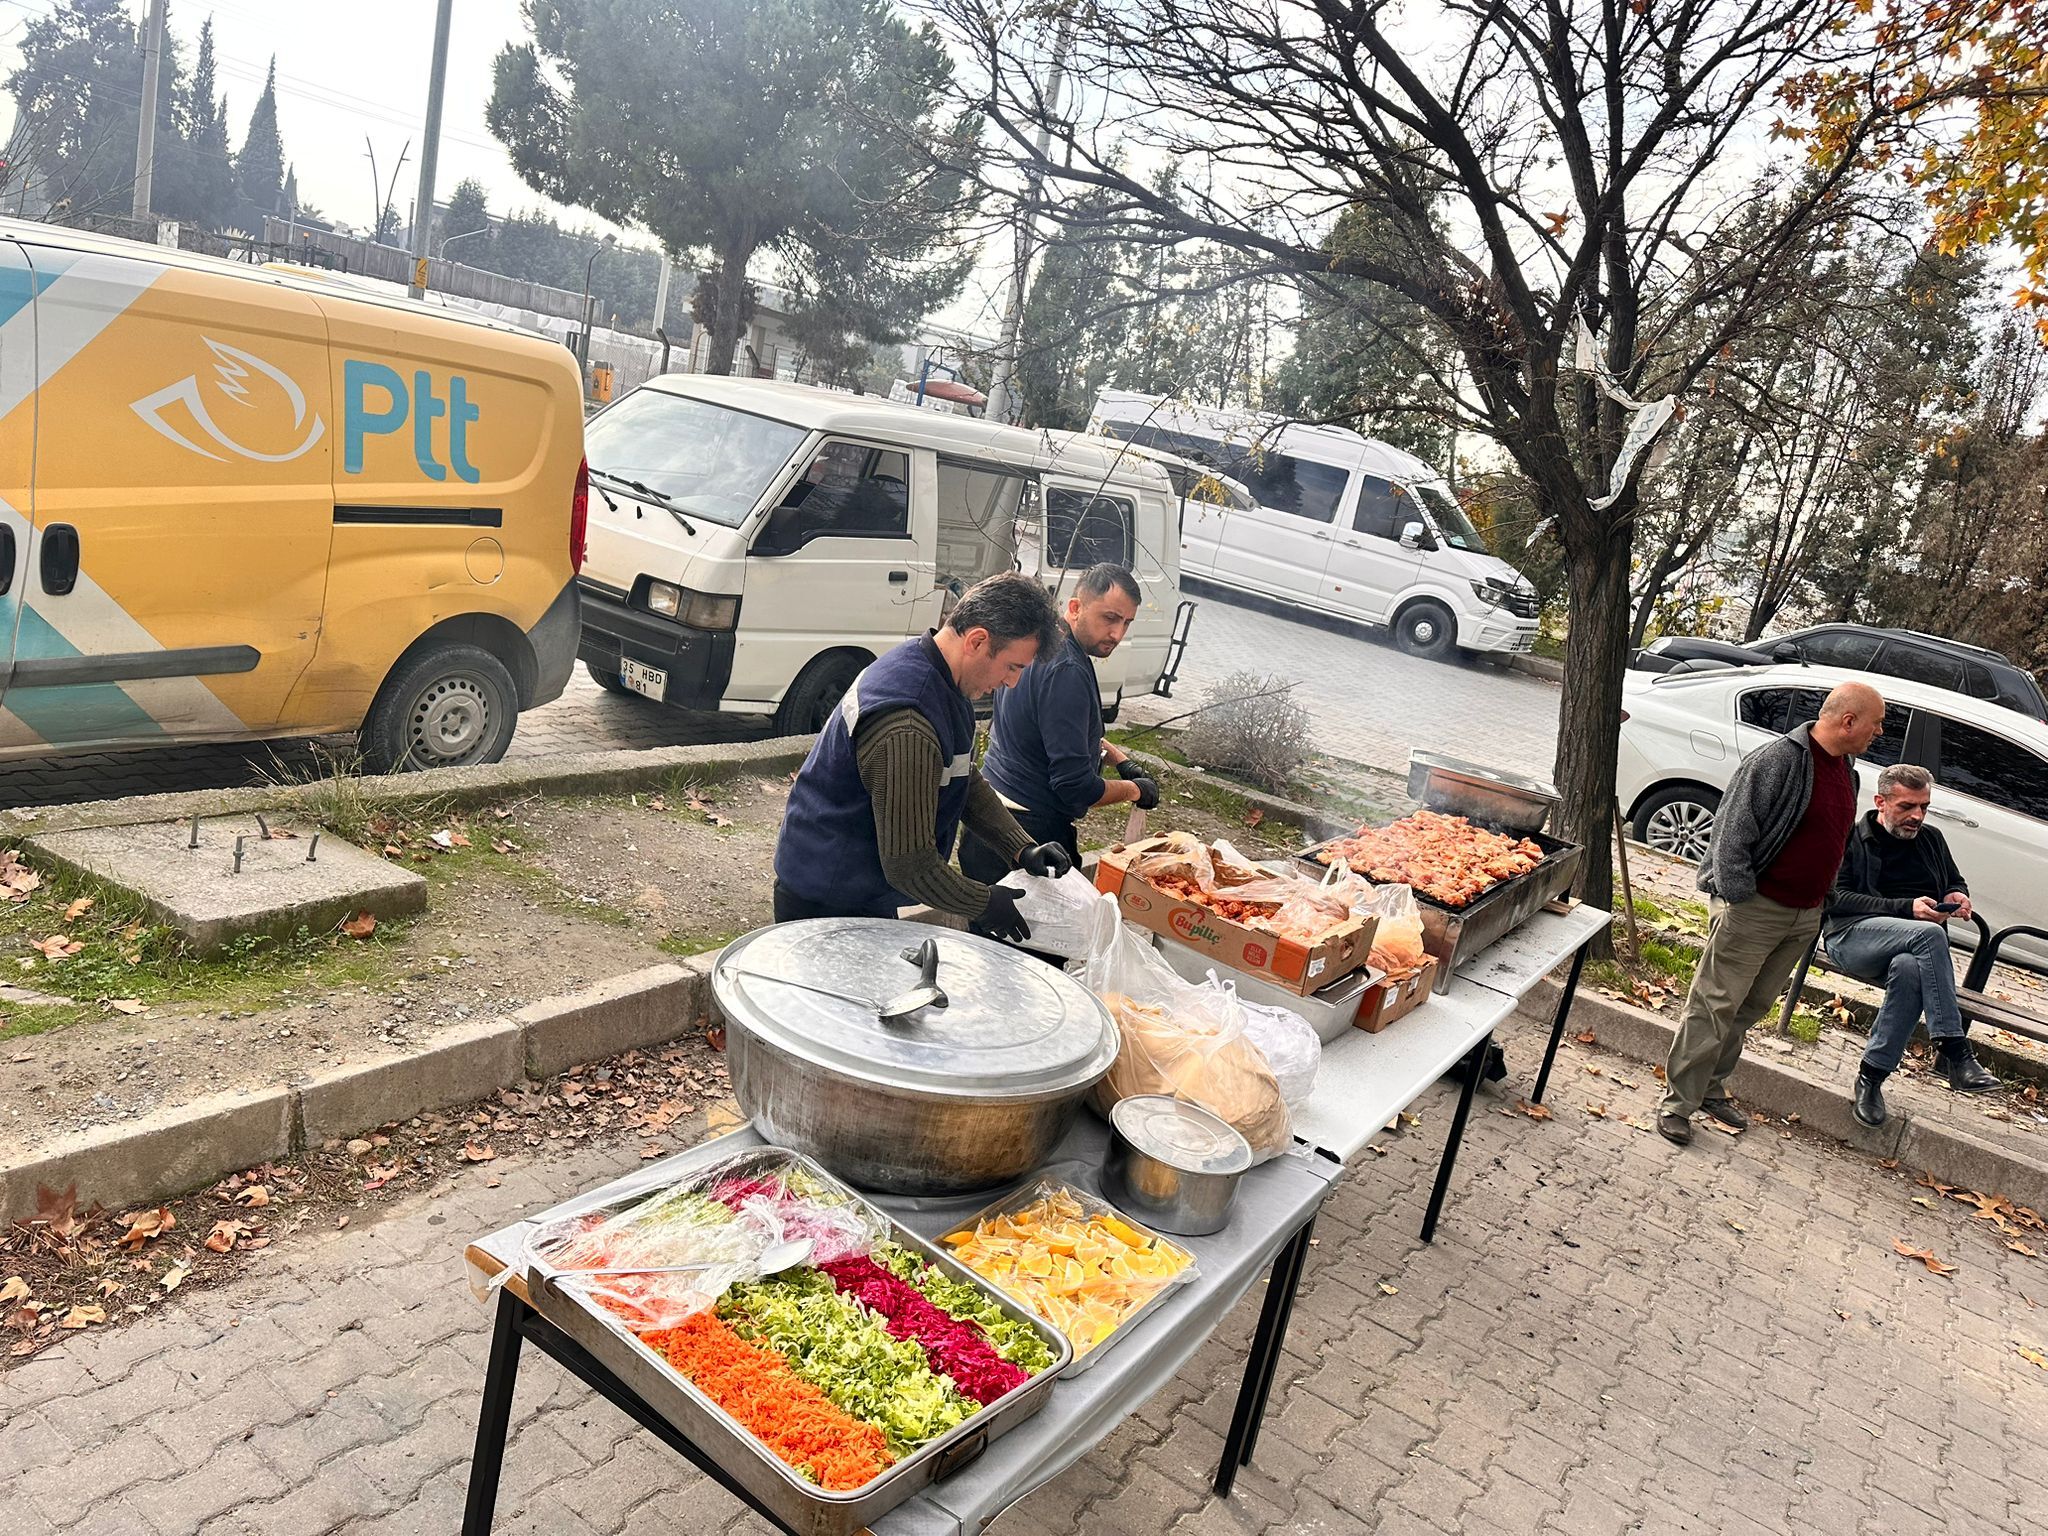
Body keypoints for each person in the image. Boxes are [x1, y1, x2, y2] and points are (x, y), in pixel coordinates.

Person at [771, 573, 1075, 938]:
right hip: (827, 899)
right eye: (1013, 667)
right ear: (978, 641)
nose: (1011, 683)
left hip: (864, 887)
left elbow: (963, 777)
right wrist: (985, 902)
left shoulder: (941, 677)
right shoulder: (908, 724)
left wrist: (1021, 847)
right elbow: (910, 866)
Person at [1657, 681, 1886, 1146]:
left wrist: (1824, 900)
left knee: (1750, 1007)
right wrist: (1739, 898)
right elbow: (1730, 835)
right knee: (1715, 1005)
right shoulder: (1777, 760)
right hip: (1754, 909)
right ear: (1848, 721)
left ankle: (1712, 1089)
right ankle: (1678, 1104)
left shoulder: (1848, 769)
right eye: (1876, 722)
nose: (1879, 731)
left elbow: (1835, 840)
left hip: (1804, 914)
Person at [958, 563, 1158, 885]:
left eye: (1126, 623)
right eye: (1109, 618)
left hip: (989, 819)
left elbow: (1052, 732)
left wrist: (1121, 761)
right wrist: (1135, 790)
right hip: (1029, 837)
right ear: (1076, 607)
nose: (1117, 634)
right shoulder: (1067, 671)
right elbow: (1075, 786)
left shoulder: (1040, 643)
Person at [1825, 763, 2000, 1127]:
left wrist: (1957, 894)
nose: (1917, 816)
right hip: (1854, 938)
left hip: (1913, 952)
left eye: (1923, 806)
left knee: (1909, 969)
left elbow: (1954, 879)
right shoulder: (1852, 838)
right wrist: (1906, 909)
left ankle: (1870, 1078)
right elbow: (1836, 897)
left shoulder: (1932, 839)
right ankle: (1955, 1050)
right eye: (1907, 806)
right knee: (1930, 934)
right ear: (1881, 802)